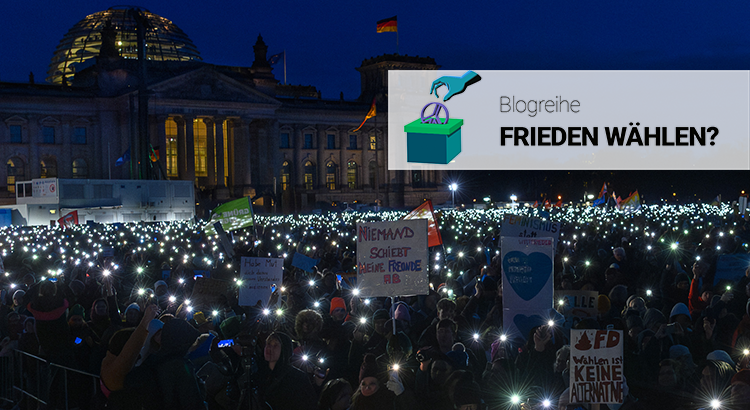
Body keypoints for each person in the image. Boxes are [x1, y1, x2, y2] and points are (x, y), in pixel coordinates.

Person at [256, 331, 318, 410]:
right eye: (268, 344)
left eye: (275, 345)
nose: (269, 348)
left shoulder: (298, 378)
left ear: (284, 349)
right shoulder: (258, 374)